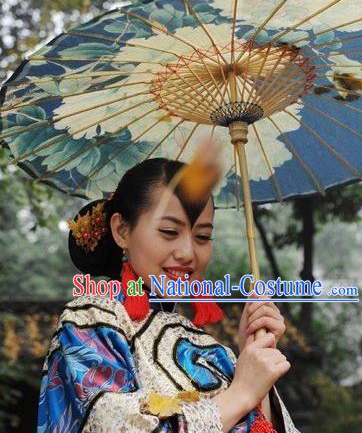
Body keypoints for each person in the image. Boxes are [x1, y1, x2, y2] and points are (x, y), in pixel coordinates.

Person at [37, 157, 299, 433]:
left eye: (202, 236)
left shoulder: (212, 349)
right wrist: (241, 393)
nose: (188, 252)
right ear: (122, 230)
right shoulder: (89, 321)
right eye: (169, 232)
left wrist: (253, 357)